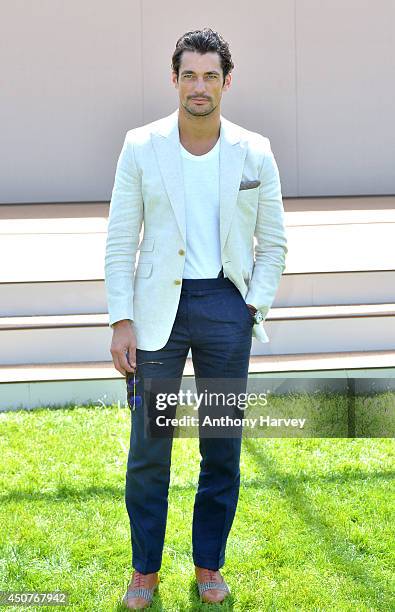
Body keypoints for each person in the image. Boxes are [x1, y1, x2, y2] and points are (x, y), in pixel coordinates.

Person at [104, 27, 288, 609]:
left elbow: (274, 242)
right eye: (190, 75)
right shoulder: (141, 145)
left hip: (224, 310)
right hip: (157, 312)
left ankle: (209, 567)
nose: (200, 86)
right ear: (174, 79)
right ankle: (144, 573)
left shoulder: (254, 151)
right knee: (150, 450)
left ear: (227, 82)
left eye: (211, 75)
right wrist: (120, 319)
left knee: (221, 447)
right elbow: (119, 239)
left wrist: (251, 304)